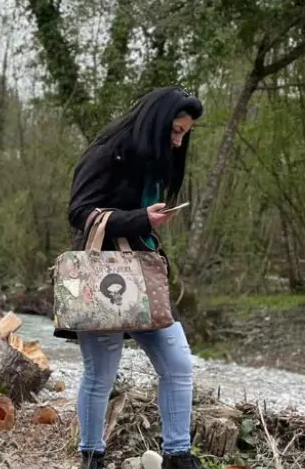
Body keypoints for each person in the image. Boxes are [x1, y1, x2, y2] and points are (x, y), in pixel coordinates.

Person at [59, 87, 205, 469]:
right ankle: (92, 456)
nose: (179, 140)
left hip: (146, 273)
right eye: (175, 131)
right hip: (102, 274)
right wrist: (141, 219)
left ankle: (177, 454)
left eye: (185, 134)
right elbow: (79, 211)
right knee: (101, 372)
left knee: (177, 362)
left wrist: (149, 223)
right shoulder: (108, 151)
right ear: (156, 122)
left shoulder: (159, 160)